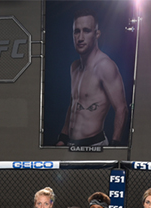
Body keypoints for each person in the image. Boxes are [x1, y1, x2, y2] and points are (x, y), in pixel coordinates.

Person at [55, 9, 128, 146]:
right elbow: (74, 103)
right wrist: (63, 137)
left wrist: (115, 146)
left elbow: (121, 108)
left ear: (96, 34)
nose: (80, 38)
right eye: (77, 31)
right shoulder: (74, 67)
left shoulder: (105, 66)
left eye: (86, 31)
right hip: (71, 145)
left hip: (95, 145)